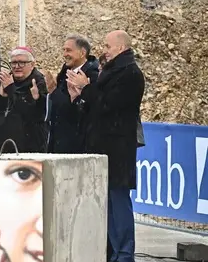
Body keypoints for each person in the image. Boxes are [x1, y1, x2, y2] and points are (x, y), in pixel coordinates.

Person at [67, 30, 144, 262]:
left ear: (121, 48)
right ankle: (113, 251)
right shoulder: (111, 71)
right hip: (105, 148)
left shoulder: (129, 73)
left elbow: (110, 105)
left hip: (118, 150)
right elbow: (97, 108)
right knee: (108, 204)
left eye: (108, 46)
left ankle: (124, 253)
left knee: (118, 202)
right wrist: (79, 96)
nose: (104, 50)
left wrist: (87, 87)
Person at [0, 46, 49, 153]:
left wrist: (10, 89)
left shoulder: (39, 83)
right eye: (13, 63)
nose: (17, 66)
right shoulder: (1, 80)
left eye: (22, 63)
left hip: (29, 150)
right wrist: (1, 97)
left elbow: (31, 113)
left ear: (32, 65)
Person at [45, 34, 99, 153]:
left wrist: (54, 91)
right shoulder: (65, 72)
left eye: (69, 50)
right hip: (59, 141)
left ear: (82, 52)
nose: (65, 54)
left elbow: (76, 108)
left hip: (77, 145)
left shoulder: (92, 74)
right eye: (64, 50)